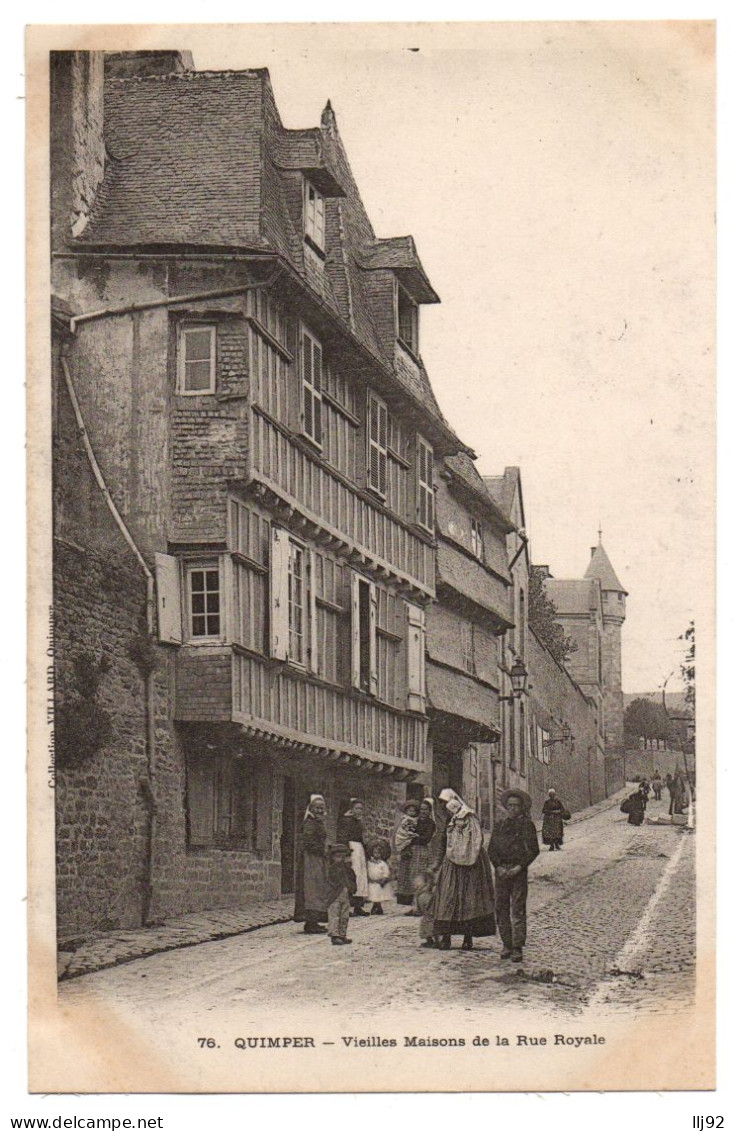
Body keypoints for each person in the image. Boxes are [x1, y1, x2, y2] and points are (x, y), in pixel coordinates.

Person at [431, 788, 495, 951]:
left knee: (469, 899)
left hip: (472, 865)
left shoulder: (469, 818)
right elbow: (442, 842)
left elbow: (476, 839)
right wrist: (437, 863)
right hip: (451, 864)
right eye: (442, 804)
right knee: (447, 896)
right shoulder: (446, 821)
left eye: (446, 803)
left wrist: (468, 855)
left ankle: (468, 937)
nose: (444, 807)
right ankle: (446, 936)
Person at [488, 788, 540, 963]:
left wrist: (520, 867)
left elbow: (533, 850)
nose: (512, 809)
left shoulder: (527, 826)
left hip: (518, 872)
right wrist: (498, 867)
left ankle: (517, 947)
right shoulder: (500, 825)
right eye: (509, 806)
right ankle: (506, 944)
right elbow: (491, 849)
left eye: (516, 806)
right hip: (501, 872)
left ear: (521, 807)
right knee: (501, 908)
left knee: (517, 909)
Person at [293, 794, 329, 934]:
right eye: (317, 808)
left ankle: (314, 921)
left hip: (317, 859)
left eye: (322, 808)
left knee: (318, 888)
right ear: (311, 809)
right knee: (311, 889)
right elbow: (309, 843)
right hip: (311, 860)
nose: (320, 810)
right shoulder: (310, 822)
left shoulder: (318, 822)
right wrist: (322, 850)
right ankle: (311, 922)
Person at [336, 798, 369, 916]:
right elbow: (343, 837)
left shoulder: (359, 822)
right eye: (357, 808)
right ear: (351, 809)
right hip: (351, 849)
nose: (359, 811)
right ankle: (348, 907)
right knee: (351, 876)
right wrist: (347, 853)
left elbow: (361, 838)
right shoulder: (346, 821)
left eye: (361, 808)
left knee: (360, 877)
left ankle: (358, 906)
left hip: (359, 850)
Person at [324, 843, 357, 946]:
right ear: (332, 857)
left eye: (343, 856)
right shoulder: (331, 869)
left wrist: (352, 887)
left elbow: (353, 879)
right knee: (334, 915)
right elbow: (330, 881)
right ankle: (335, 935)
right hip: (334, 895)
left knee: (344, 915)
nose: (340, 859)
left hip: (345, 895)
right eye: (338, 856)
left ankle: (342, 934)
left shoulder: (348, 869)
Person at [394, 800, 421, 908]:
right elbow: (402, 832)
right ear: (406, 811)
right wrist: (409, 836)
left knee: (409, 872)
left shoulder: (416, 820)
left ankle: (409, 897)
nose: (412, 812)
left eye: (414, 811)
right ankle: (404, 897)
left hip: (410, 845)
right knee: (404, 871)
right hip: (405, 843)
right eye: (410, 810)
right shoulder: (405, 820)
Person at [366, 839, 395, 914]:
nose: (377, 855)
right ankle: (377, 908)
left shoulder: (382, 863)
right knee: (374, 896)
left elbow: (386, 872)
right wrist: (369, 877)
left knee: (378, 896)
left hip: (380, 882)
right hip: (373, 882)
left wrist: (384, 878)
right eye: (375, 853)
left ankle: (376, 908)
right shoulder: (369, 863)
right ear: (372, 853)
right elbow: (368, 871)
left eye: (379, 853)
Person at [413, 871, 436, 948]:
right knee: (426, 928)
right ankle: (430, 941)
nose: (416, 885)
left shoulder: (427, 893)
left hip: (430, 914)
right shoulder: (418, 894)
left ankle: (436, 941)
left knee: (432, 927)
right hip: (426, 915)